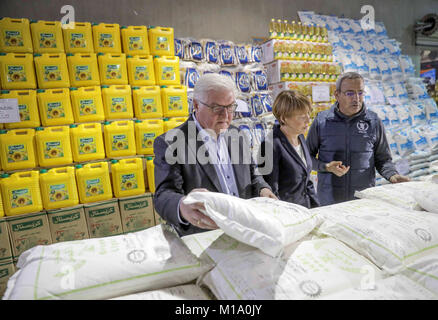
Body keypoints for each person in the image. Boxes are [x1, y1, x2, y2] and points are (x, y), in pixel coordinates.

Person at [153, 73, 277, 236]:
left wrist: (263, 189)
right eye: (217, 108)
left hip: (244, 231)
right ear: (196, 105)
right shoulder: (172, 142)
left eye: (231, 107)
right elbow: (164, 195)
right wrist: (182, 206)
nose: (226, 116)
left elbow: (253, 175)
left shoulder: (237, 135)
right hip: (204, 236)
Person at [306, 71, 410, 206]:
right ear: (337, 95)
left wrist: (392, 175)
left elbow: (383, 159)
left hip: (363, 200)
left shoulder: (373, 121)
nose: (356, 98)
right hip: (330, 200)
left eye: (360, 93)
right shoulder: (322, 121)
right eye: (350, 93)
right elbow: (306, 157)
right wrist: (325, 167)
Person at [261, 90, 345, 208]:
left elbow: (305, 178)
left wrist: (326, 167)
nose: (308, 121)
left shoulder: (300, 136)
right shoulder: (270, 145)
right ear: (284, 118)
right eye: (301, 117)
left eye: (308, 114)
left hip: (307, 209)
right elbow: (270, 193)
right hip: (288, 216)